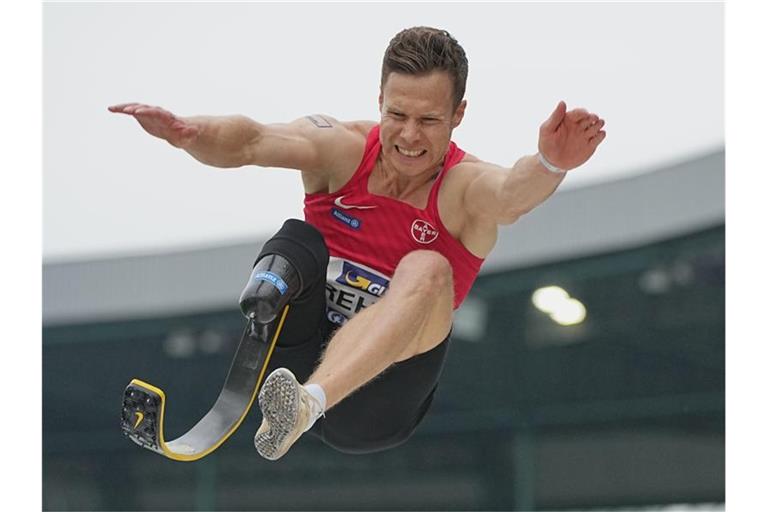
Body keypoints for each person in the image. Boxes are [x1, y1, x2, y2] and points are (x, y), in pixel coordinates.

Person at [109, 26, 606, 461]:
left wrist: (550, 163)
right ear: (379, 101)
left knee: (429, 267)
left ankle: (307, 405)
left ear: (458, 114)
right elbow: (252, 141)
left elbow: (511, 195)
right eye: (398, 114)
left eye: (429, 121)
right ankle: (266, 312)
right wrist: (188, 133)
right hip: (295, 364)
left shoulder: (463, 189)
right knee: (297, 239)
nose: (409, 136)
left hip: (374, 404)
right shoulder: (341, 149)